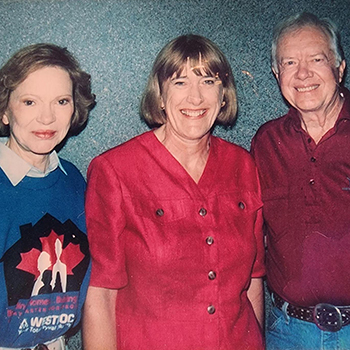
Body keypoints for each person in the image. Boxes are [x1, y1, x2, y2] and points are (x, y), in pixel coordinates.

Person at [83, 34, 265, 350]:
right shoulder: (115, 170)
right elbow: (100, 293)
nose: (195, 97)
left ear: (224, 96)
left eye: (208, 81)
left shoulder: (244, 165)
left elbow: (254, 282)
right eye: (180, 82)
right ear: (161, 96)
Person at [251, 12, 350, 350]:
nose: (303, 73)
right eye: (290, 62)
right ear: (277, 74)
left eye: (316, 59)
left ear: (339, 67)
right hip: (288, 331)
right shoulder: (265, 143)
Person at [0, 43, 95, 349]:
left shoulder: (73, 180)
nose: (46, 117)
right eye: (29, 102)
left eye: (61, 101)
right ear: (4, 109)